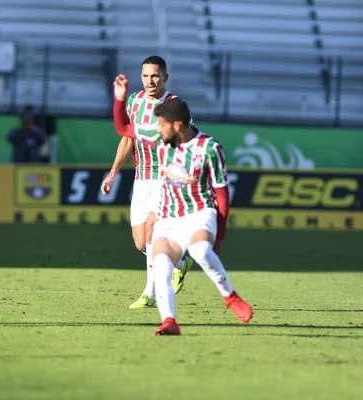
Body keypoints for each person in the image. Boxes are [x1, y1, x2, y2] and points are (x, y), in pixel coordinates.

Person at [113, 76, 253, 335]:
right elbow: (124, 129)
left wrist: (220, 236)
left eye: (161, 123)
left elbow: (222, 194)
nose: (156, 128)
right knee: (162, 263)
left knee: (200, 250)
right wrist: (120, 98)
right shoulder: (159, 137)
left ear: (177, 125)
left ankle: (231, 297)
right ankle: (169, 321)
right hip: (169, 216)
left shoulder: (209, 148)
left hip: (200, 211)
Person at [100, 56, 193, 309]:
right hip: (141, 179)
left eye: (155, 75)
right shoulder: (134, 101)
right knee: (141, 242)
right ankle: (180, 262)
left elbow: (188, 142)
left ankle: (150, 293)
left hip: (165, 180)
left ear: (165, 77)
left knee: (152, 235)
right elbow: (128, 139)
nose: (150, 81)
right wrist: (112, 173)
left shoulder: (175, 105)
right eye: (145, 76)